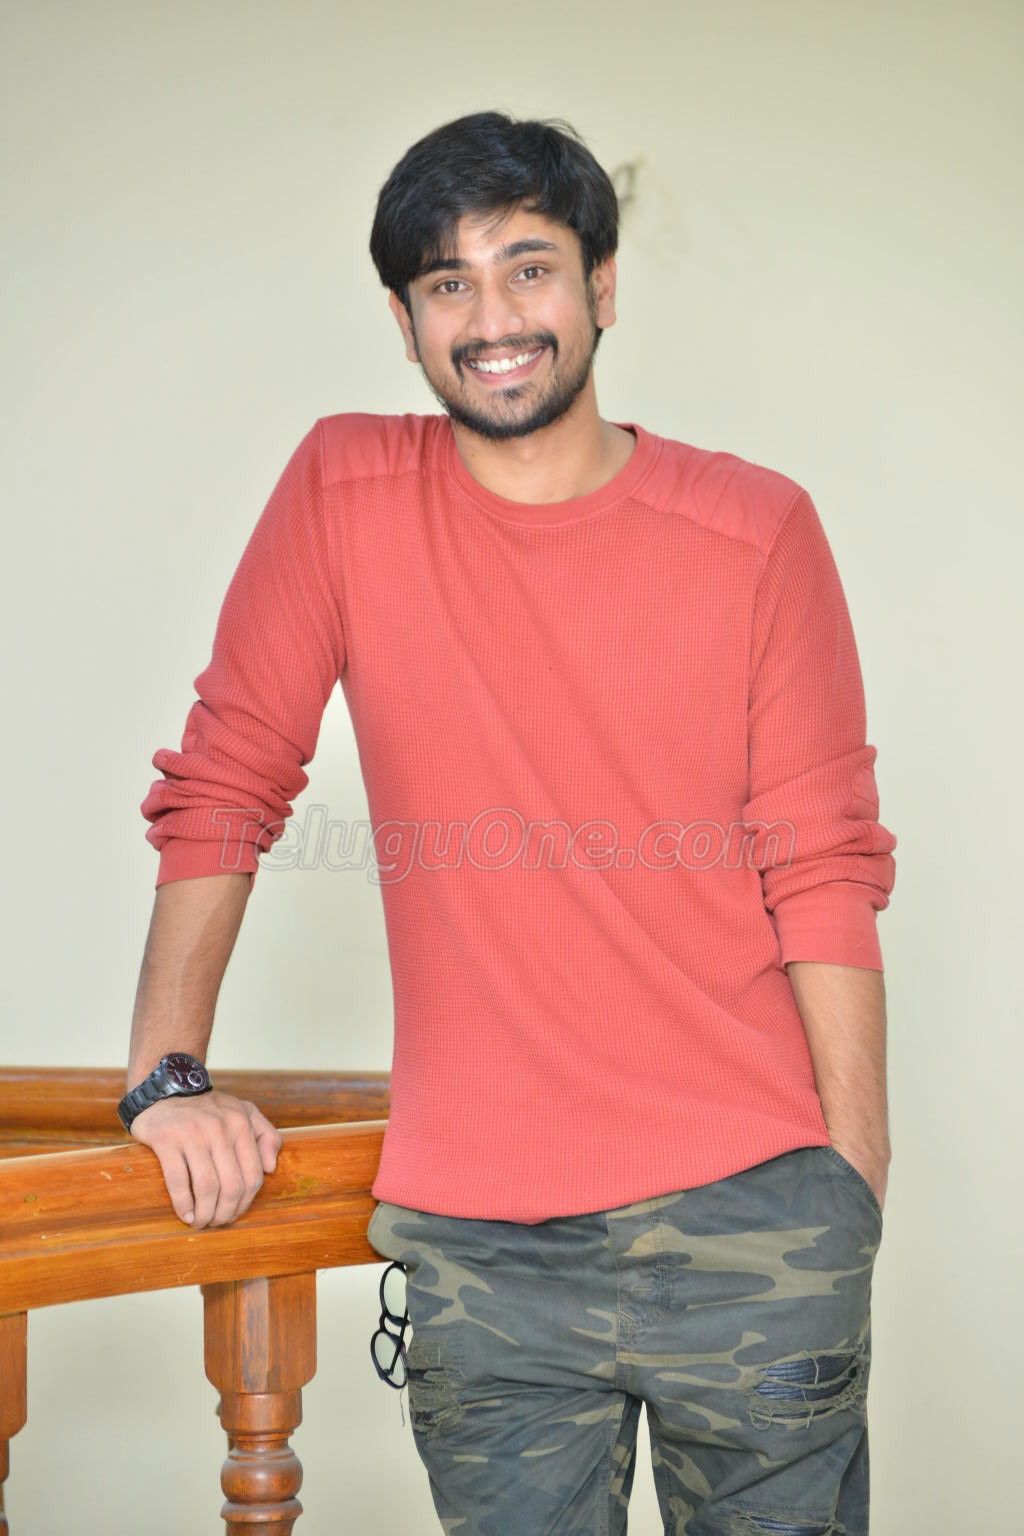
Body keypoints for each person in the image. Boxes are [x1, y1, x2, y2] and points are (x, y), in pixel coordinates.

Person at [125, 111, 897, 1534]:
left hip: (760, 1218)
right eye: (449, 283)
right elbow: (227, 780)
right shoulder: (344, 492)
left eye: (529, 268)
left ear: (601, 285)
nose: (493, 319)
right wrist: (166, 1074)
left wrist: (854, 1181)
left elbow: (824, 861)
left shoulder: (756, 529)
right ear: (407, 322)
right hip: (484, 1250)